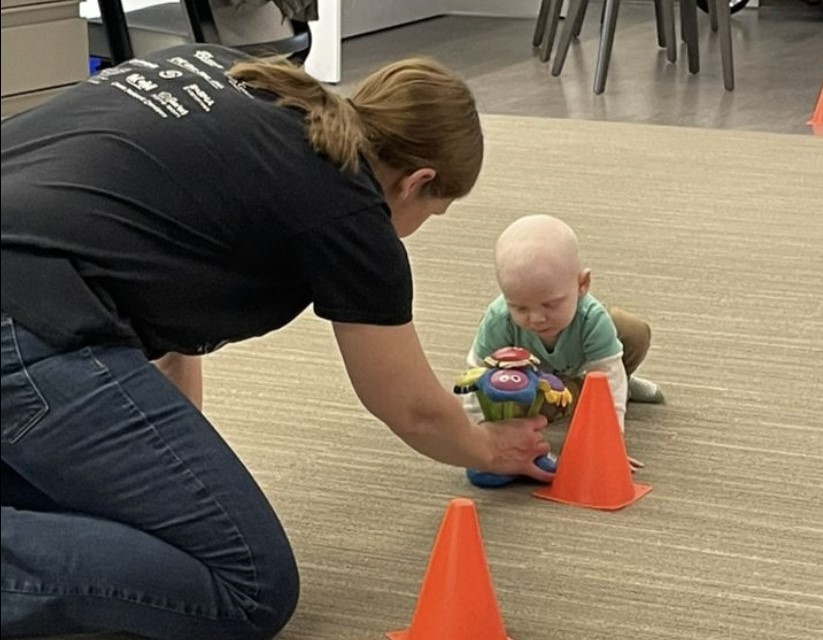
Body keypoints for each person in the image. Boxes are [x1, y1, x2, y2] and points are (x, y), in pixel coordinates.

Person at [0, 43, 554, 639]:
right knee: (248, 585)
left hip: (34, 285)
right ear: (417, 182)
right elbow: (412, 408)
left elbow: (153, 270)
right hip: (26, 315)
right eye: (432, 211)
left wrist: (169, 454)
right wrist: (491, 449)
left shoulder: (235, 73)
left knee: (120, 522)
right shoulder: (348, 205)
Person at [461, 214, 664, 487]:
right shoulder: (499, 319)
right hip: (532, 385)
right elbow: (476, 377)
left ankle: (626, 382)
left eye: (550, 305)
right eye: (520, 307)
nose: (536, 319)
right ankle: (573, 397)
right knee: (516, 404)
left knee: (630, 332)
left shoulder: (592, 318)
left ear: (582, 285)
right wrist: (482, 437)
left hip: (582, 370)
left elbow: (608, 377)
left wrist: (609, 444)